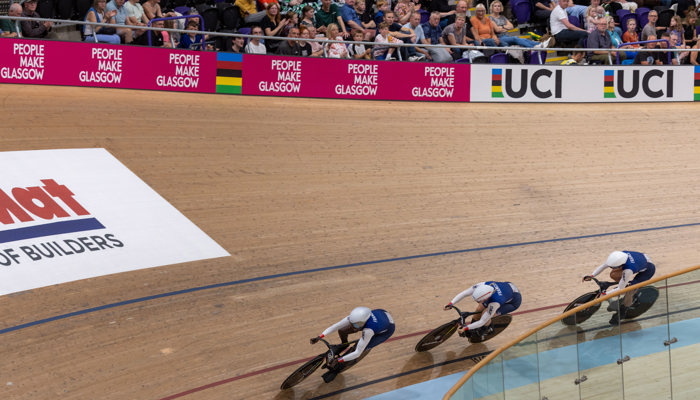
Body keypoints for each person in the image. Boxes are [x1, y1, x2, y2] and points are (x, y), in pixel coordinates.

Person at [309, 307, 395, 383]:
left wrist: (339, 360)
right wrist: (320, 336)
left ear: (363, 322)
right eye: (353, 323)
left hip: (386, 331)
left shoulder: (369, 330)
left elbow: (357, 353)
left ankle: (338, 369)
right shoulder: (355, 318)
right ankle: (344, 344)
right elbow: (335, 326)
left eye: (356, 325)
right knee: (342, 330)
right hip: (381, 315)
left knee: (358, 348)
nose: (354, 326)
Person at [583, 251, 656, 325]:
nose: (611, 268)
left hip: (647, 271)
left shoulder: (628, 270)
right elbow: (603, 266)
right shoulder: (619, 256)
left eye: (613, 267)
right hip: (640, 260)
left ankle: (622, 312)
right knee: (613, 274)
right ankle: (624, 283)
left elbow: (619, 289)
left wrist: (605, 294)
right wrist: (592, 275)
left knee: (629, 290)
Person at [444, 281, 522, 337]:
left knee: (486, 314)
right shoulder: (482, 285)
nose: (478, 302)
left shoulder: (495, 302)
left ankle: (484, 330)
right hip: (507, 287)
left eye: (479, 301)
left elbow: (482, 321)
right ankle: (473, 328)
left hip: (513, 302)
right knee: (479, 308)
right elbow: (464, 293)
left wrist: (466, 327)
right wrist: (451, 303)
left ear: (486, 297)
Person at [490, 1, 554, 48]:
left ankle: (541, 44)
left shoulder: (502, 17)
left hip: (506, 36)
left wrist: (502, 27)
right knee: (515, 38)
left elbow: (511, 26)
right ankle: (535, 47)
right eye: (495, 6)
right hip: (499, 38)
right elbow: (497, 30)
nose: (497, 8)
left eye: (498, 6)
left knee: (524, 39)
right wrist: (505, 27)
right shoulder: (490, 18)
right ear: (492, 8)